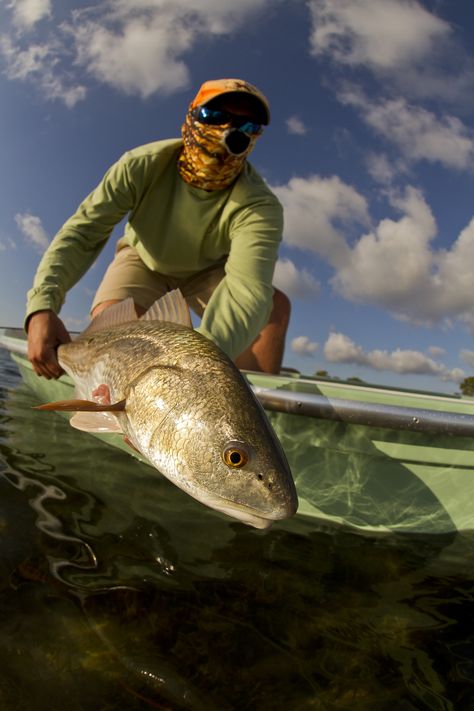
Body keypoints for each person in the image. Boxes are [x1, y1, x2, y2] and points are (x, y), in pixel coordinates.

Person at [26, 78, 291, 380]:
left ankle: (245, 408)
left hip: (208, 271)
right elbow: (83, 233)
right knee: (119, 332)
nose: (229, 131)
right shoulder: (140, 165)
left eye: (247, 126)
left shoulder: (260, 205)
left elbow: (247, 291)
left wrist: (192, 364)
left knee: (273, 308)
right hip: (143, 259)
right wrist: (41, 306)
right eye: (215, 116)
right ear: (192, 115)